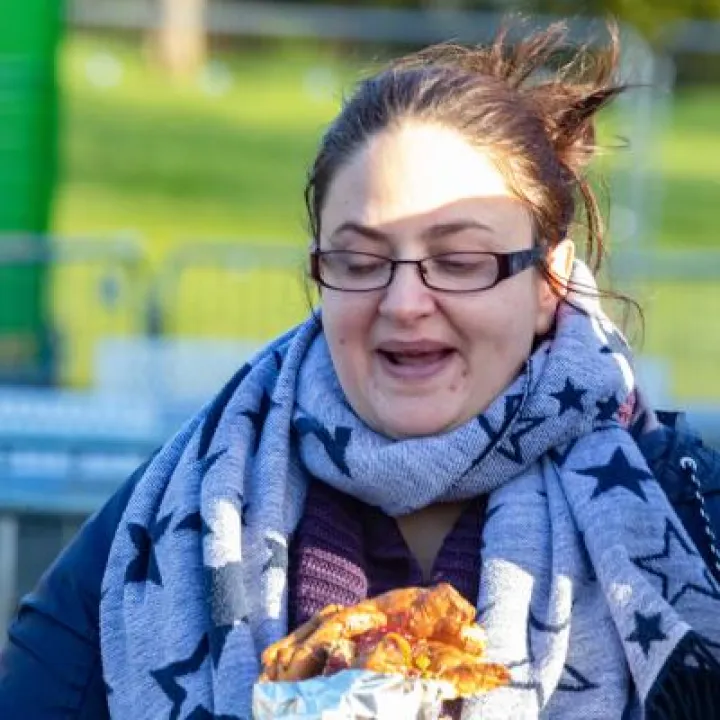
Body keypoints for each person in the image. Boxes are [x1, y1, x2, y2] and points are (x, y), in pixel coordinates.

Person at [1, 20, 720, 720]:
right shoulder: (175, 511)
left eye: (459, 261)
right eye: (360, 261)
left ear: (549, 282)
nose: (404, 303)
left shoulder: (684, 517)